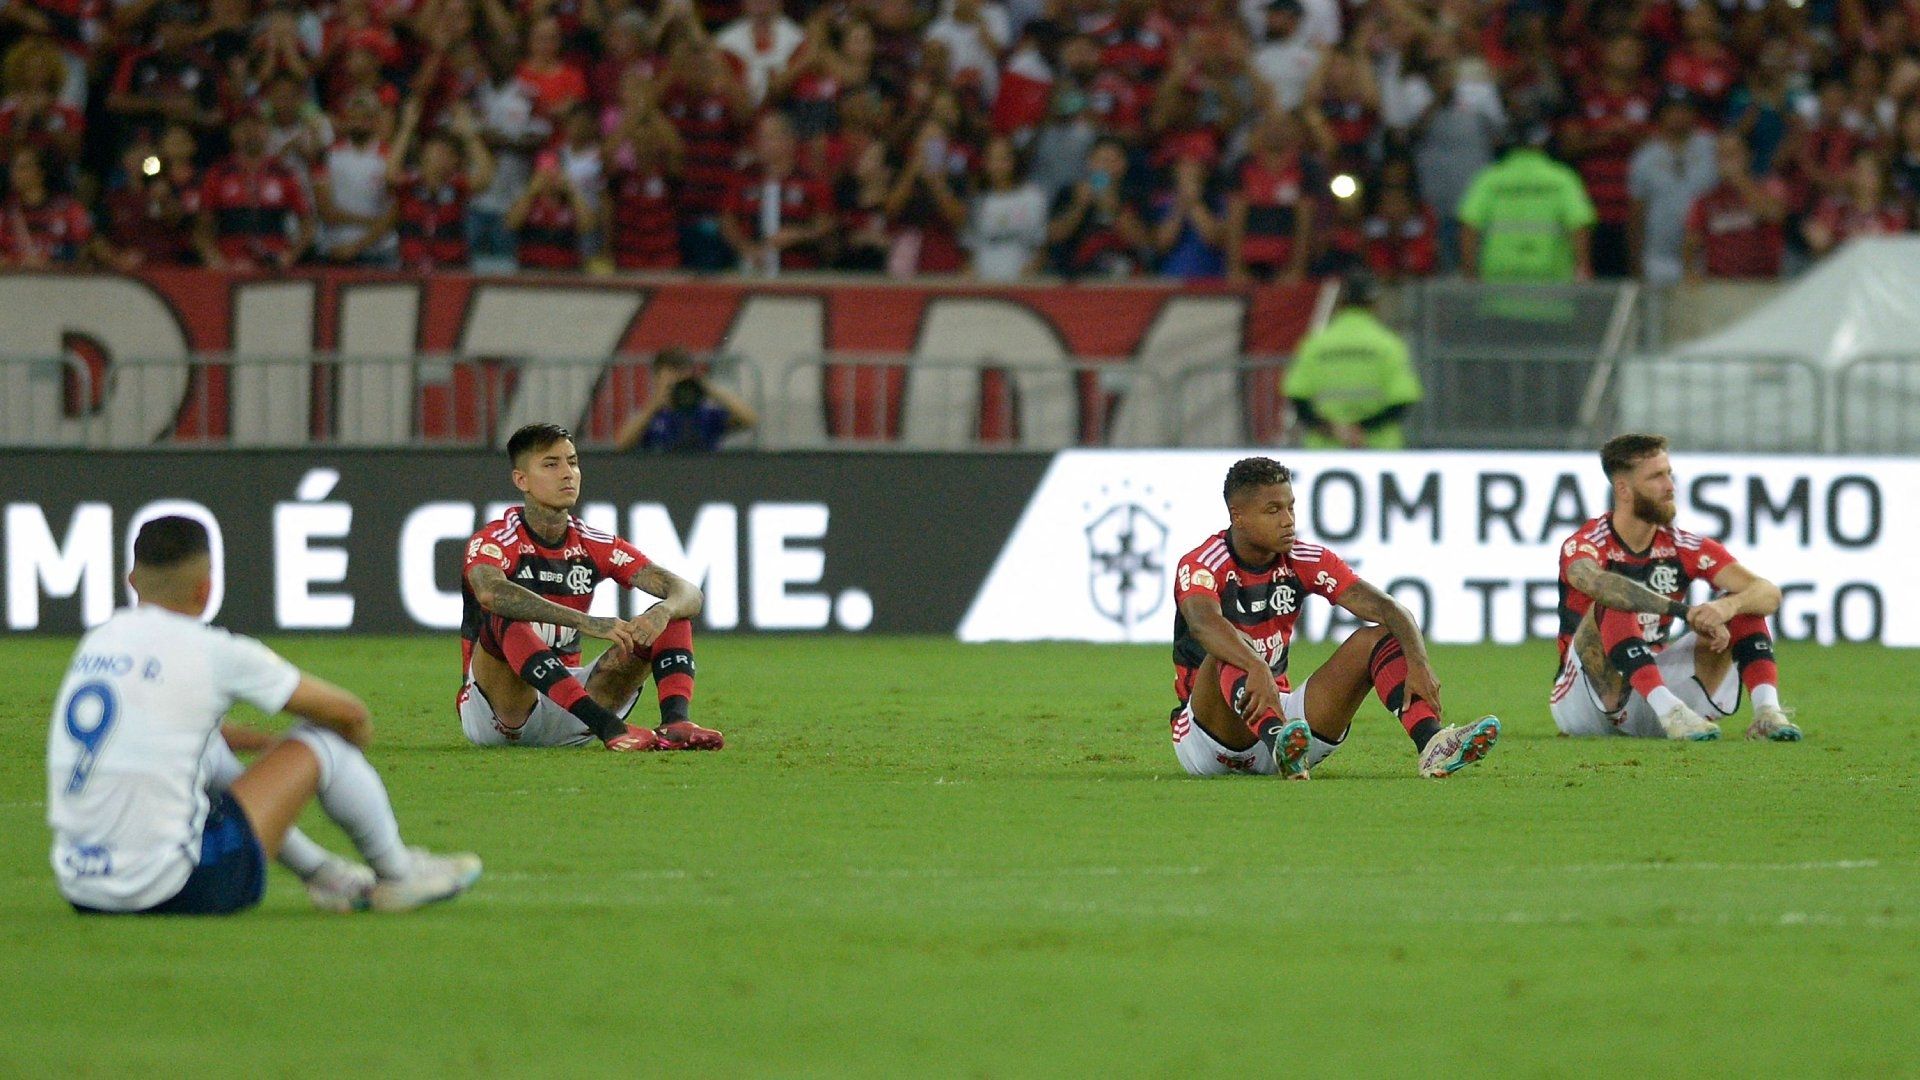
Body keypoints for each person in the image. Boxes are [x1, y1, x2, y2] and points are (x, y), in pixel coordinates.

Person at [47, 516, 480, 916]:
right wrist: (340, 746)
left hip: (82, 889)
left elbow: (177, 733)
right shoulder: (216, 650)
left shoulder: (99, 642)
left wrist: (265, 747)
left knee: (209, 750)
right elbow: (349, 715)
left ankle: (329, 877)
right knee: (324, 742)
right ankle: (399, 875)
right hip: (182, 888)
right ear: (206, 588)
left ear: (133, 582)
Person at [1171, 457, 1500, 780]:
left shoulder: (1303, 558)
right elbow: (1203, 623)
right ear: (1237, 516)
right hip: (1209, 737)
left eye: (1290, 507)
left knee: (1378, 637)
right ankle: (1278, 741)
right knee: (1232, 643)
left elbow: (1388, 608)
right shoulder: (1202, 563)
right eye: (1273, 510)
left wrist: (1419, 663)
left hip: (1287, 722)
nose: (1288, 520)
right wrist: (1256, 664)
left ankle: (1432, 742)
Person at [459, 423, 724, 751]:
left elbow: (689, 593)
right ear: (521, 480)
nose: (567, 473)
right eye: (551, 464)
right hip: (500, 713)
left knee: (669, 613)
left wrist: (665, 611)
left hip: (571, 706)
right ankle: (609, 727)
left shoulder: (592, 543)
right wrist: (585, 622)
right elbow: (490, 593)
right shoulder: (495, 540)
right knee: (500, 616)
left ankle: (675, 723)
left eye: (572, 461)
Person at [1551, 433, 1802, 742]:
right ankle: (1669, 711)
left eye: (1669, 473)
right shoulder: (1588, 543)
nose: (1670, 486)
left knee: (1744, 602)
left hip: (1653, 685)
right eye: (1656, 477)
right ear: (1623, 489)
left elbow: (1768, 593)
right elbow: (1598, 583)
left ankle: (1767, 713)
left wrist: (1725, 608)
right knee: (1613, 598)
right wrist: (1686, 612)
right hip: (1588, 699)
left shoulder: (1682, 545)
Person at [1283, 270, 1422, 449]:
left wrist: (1335, 430)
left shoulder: (1315, 344)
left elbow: (1297, 397)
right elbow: (1403, 400)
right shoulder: (1388, 345)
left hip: (1325, 449)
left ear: (1340, 302)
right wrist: (1361, 429)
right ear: (1374, 303)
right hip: (1378, 449)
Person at [1457, 114, 1596, 283]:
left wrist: (1469, 274)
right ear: (1542, 140)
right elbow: (1579, 225)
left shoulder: (1489, 179)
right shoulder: (1562, 178)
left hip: (1498, 284)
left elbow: (1469, 226)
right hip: (1552, 286)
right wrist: (1583, 268)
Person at [613, 348, 759, 452]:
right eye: (670, 383)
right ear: (657, 380)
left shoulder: (705, 415)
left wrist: (707, 388)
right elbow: (621, 445)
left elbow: (749, 419)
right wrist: (654, 405)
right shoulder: (651, 417)